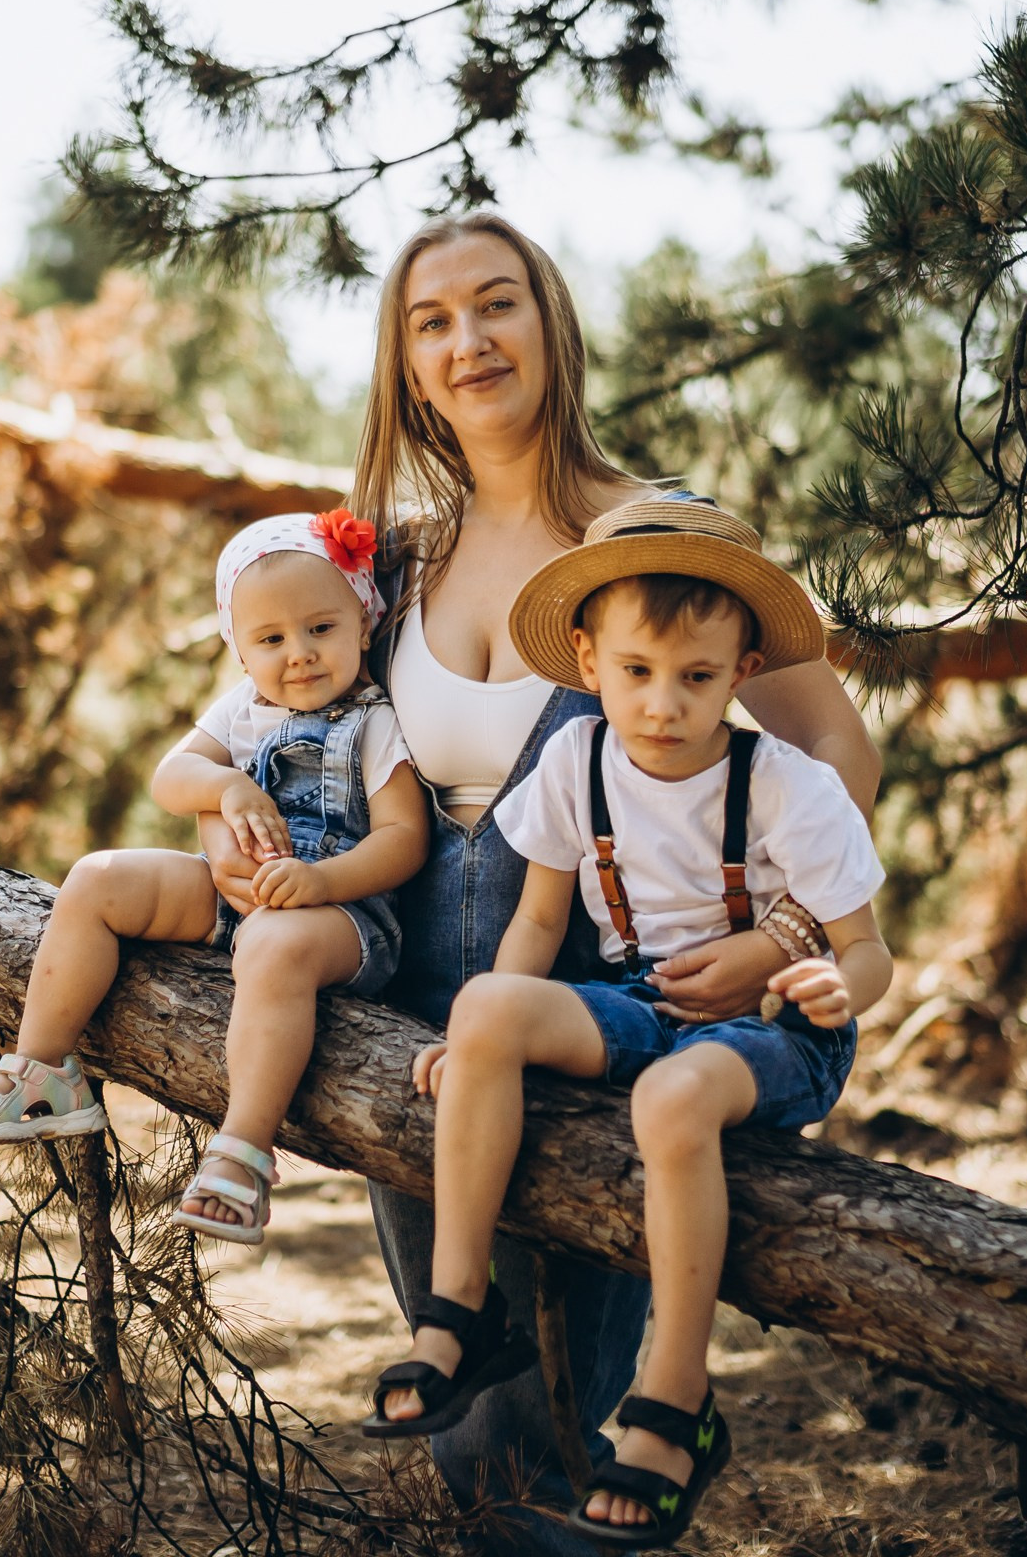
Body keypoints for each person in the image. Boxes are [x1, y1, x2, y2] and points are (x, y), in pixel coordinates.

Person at [197, 213, 880, 1555]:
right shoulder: (389, 561)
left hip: (590, 986)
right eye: (431, 320)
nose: (468, 342)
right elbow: (271, 723)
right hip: (408, 997)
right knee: (468, 1384)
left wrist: (782, 931)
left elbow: (833, 743)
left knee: (585, 1360)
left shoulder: (649, 537)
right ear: (405, 364)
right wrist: (236, 817)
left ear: (550, 325)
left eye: (496, 304)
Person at [369, 500, 892, 1547]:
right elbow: (539, 918)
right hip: (643, 1003)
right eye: (638, 671)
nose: (663, 704)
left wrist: (827, 985)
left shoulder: (786, 785)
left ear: (742, 670)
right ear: (586, 659)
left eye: (697, 677)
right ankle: (462, 1313)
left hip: (774, 1032)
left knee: (672, 1096)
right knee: (487, 1005)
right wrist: (479, 1032)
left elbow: (867, 950)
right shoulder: (575, 764)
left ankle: (673, 1404)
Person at [0, 509, 427, 1248]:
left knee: (272, 947)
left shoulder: (375, 722)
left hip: (340, 918)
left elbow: (404, 840)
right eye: (271, 640)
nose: (297, 655)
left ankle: (244, 1152)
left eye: (320, 629)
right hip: (232, 892)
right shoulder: (242, 710)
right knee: (97, 879)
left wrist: (324, 884)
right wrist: (226, 790)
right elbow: (172, 777)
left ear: (364, 626)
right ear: (240, 653)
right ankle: (42, 1071)